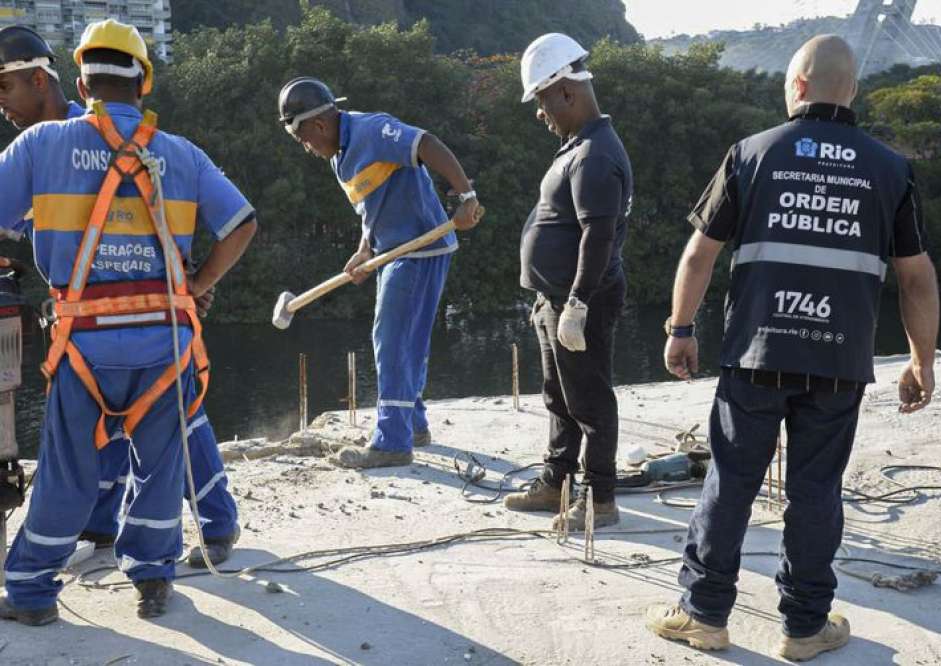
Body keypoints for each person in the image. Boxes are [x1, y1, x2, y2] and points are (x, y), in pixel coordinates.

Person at [644, 35, 940, 661]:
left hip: (757, 353)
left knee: (732, 481)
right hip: (837, 364)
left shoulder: (751, 154)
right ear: (851, 91)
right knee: (816, 491)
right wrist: (921, 361)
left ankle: (703, 615)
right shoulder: (889, 169)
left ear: (797, 86)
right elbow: (916, 277)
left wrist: (680, 329)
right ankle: (804, 627)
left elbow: (700, 254)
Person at [0, 19, 257, 624]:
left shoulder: (42, 146)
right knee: (161, 467)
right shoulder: (183, 155)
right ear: (143, 80)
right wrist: (196, 286)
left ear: (81, 79)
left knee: (68, 470)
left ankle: (33, 592)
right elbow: (242, 223)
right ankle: (153, 579)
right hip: (165, 342)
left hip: (85, 344)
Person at [278, 77, 481, 469]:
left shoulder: (372, 130)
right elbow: (374, 205)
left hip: (421, 248)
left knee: (391, 339)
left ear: (319, 125)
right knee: (408, 340)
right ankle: (412, 425)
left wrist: (467, 197)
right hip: (394, 252)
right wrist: (364, 250)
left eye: (303, 138)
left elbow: (426, 144)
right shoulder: (339, 155)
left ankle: (391, 441)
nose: (305, 147)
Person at [503, 33, 632, 531]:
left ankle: (600, 499)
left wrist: (577, 303)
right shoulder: (580, 146)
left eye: (541, 101)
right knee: (559, 397)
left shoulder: (596, 154)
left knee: (590, 401)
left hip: (582, 301)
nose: (541, 113)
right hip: (555, 299)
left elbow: (597, 236)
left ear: (566, 92)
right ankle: (557, 480)